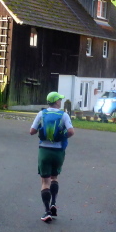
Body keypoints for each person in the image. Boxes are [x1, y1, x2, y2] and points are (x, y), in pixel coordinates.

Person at [29, 91, 75, 223]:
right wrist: (62, 136)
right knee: (54, 177)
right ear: (56, 102)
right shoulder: (64, 115)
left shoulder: (41, 114)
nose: (60, 101)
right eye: (59, 100)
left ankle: (47, 211)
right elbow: (71, 132)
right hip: (58, 152)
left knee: (45, 182)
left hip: (44, 150)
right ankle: (53, 203)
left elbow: (32, 131)